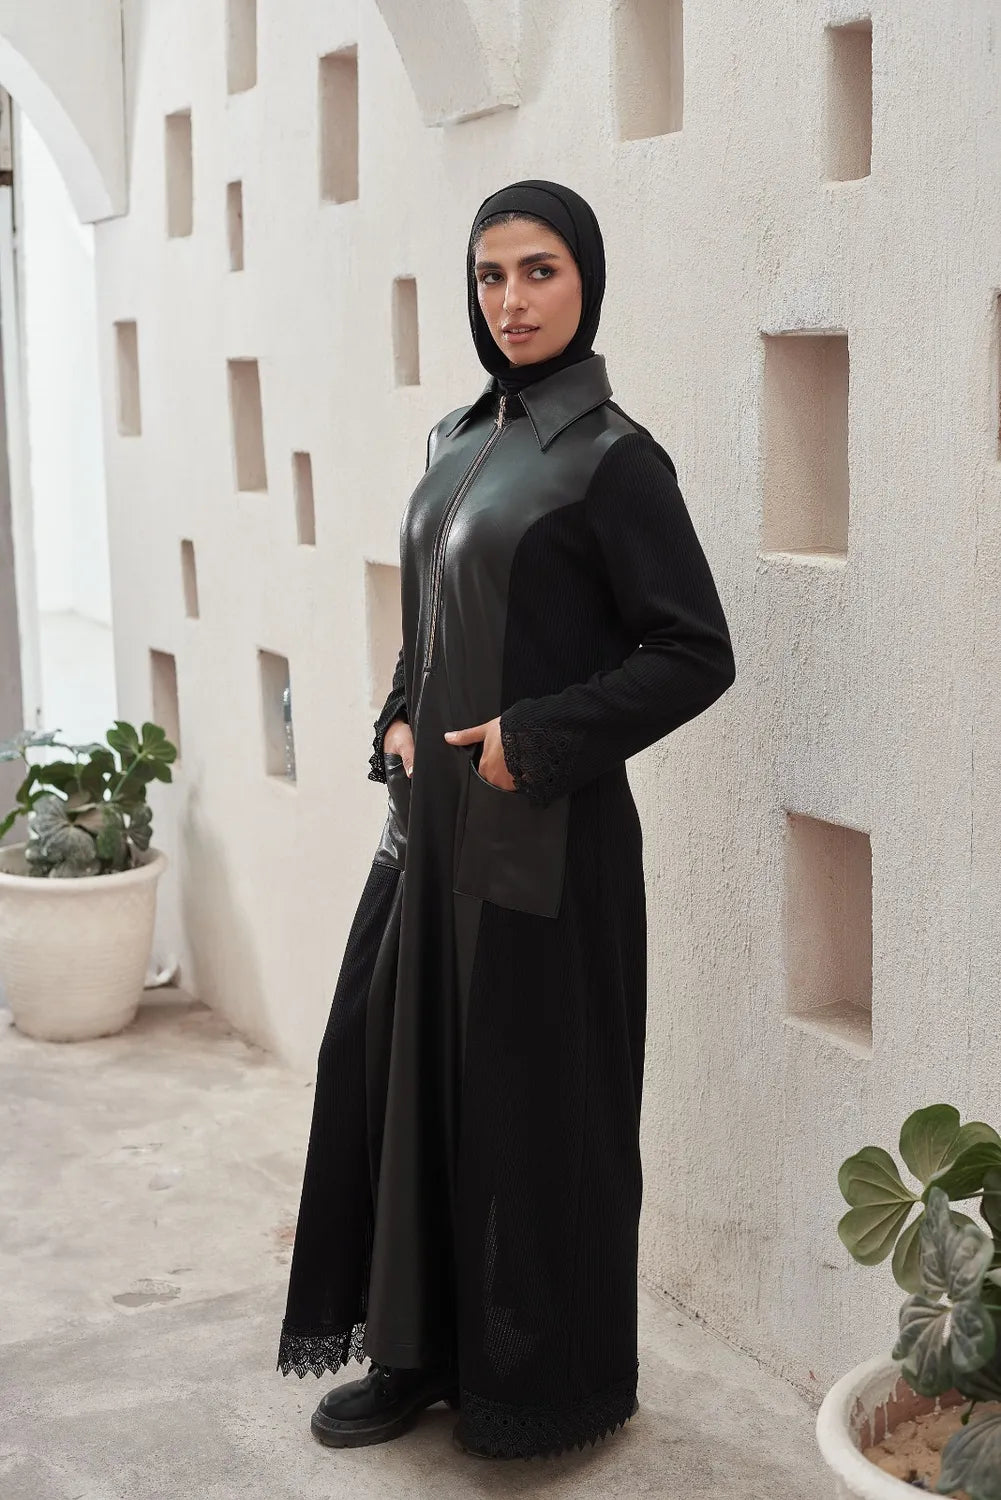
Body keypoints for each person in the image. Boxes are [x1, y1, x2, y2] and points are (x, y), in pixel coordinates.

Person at [276, 179, 737, 1461]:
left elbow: (693, 653)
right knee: (392, 1080)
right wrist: (394, 715)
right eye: (489, 276)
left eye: (538, 271)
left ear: (584, 281)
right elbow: (434, 619)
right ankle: (414, 1352)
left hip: (545, 853)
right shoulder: (454, 439)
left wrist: (531, 743)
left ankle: (539, 1384)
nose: (511, 300)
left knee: (535, 1126)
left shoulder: (613, 459)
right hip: (427, 850)